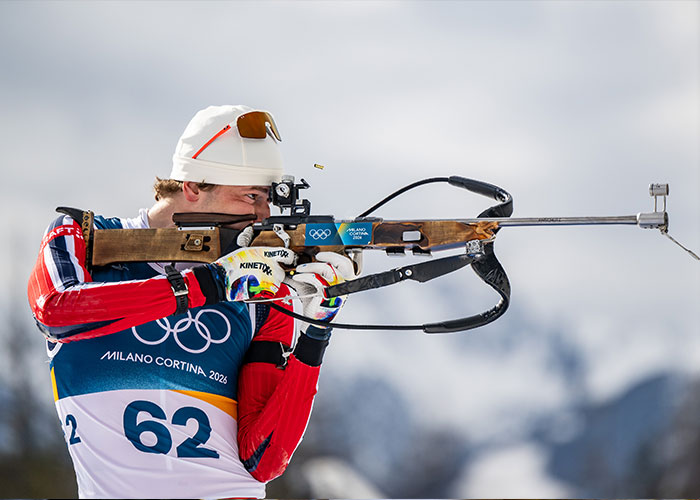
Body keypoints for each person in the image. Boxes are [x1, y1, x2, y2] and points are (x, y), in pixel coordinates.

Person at [27, 105, 357, 499]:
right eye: (251, 196)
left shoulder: (261, 292)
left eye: (268, 201)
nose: (261, 216)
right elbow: (58, 313)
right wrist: (209, 283)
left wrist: (319, 328)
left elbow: (265, 458)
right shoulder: (82, 236)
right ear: (193, 187)